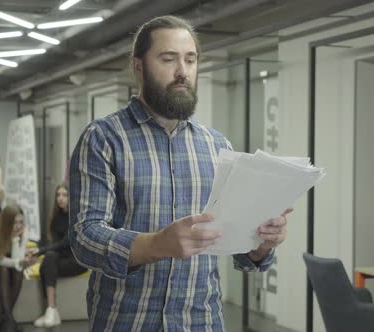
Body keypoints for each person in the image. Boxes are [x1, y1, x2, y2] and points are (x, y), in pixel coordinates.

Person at [69, 16, 292, 331]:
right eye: (168, 59)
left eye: (190, 60)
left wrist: (261, 242)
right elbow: (84, 238)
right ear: (139, 66)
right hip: (126, 321)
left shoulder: (217, 145)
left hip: (200, 321)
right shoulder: (104, 137)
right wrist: (157, 244)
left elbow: (236, 246)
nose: (182, 71)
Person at [29, 184, 87, 328]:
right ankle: (51, 309)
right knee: (48, 261)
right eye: (58, 195)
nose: (60, 198)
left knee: (47, 262)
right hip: (61, 258)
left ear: (71, 197)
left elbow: (64, 243)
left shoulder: (77, 218)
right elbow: (55, 245)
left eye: (64, 195)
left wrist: (39, 251)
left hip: (77, 261)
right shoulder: (55, 217)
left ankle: (51, 311)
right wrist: (41, 252)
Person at [0, 204, 32, 332]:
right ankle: (9, 320)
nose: (19, 226)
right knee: (3, 270)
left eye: (21, 222)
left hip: (10, 261)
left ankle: (6, 320)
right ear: (7, 221)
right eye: (15, 222)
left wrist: (15, 239)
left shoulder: (23, 231)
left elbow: (18, 260)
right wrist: (19, 262)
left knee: (18, 273)